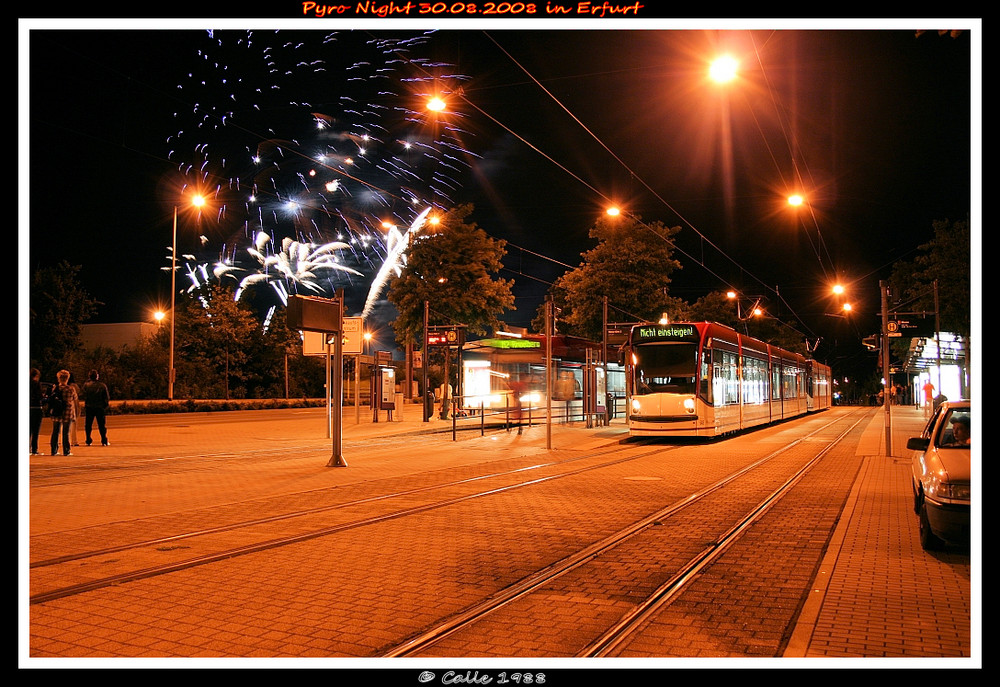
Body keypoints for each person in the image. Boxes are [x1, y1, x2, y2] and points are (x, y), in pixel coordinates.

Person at [48, 369, 79, 456]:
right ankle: (66, 450)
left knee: (55, 431)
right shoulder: (70, 389)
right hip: (67, 412)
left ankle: (53, 450)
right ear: (67, 378)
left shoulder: (55, 388)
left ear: (58, 378)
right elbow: (74, 399)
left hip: (56, 412)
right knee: (66, 432)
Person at [82, 369, 111, 446]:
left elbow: (83, 395)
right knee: (101, 425)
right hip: (99, 407)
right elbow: (106, 397)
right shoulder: (102, 385)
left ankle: (88, 439)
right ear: (97, 376)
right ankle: (104, 440)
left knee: (88, 425)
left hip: (89, 407)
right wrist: (105, 405)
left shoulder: (86, 385)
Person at [29, 368, 44, 455]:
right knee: (35, 430)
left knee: (29, 429)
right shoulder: (37, 384)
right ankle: (34, 449)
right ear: (37, 376)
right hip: (36, 407)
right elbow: (39, 396)